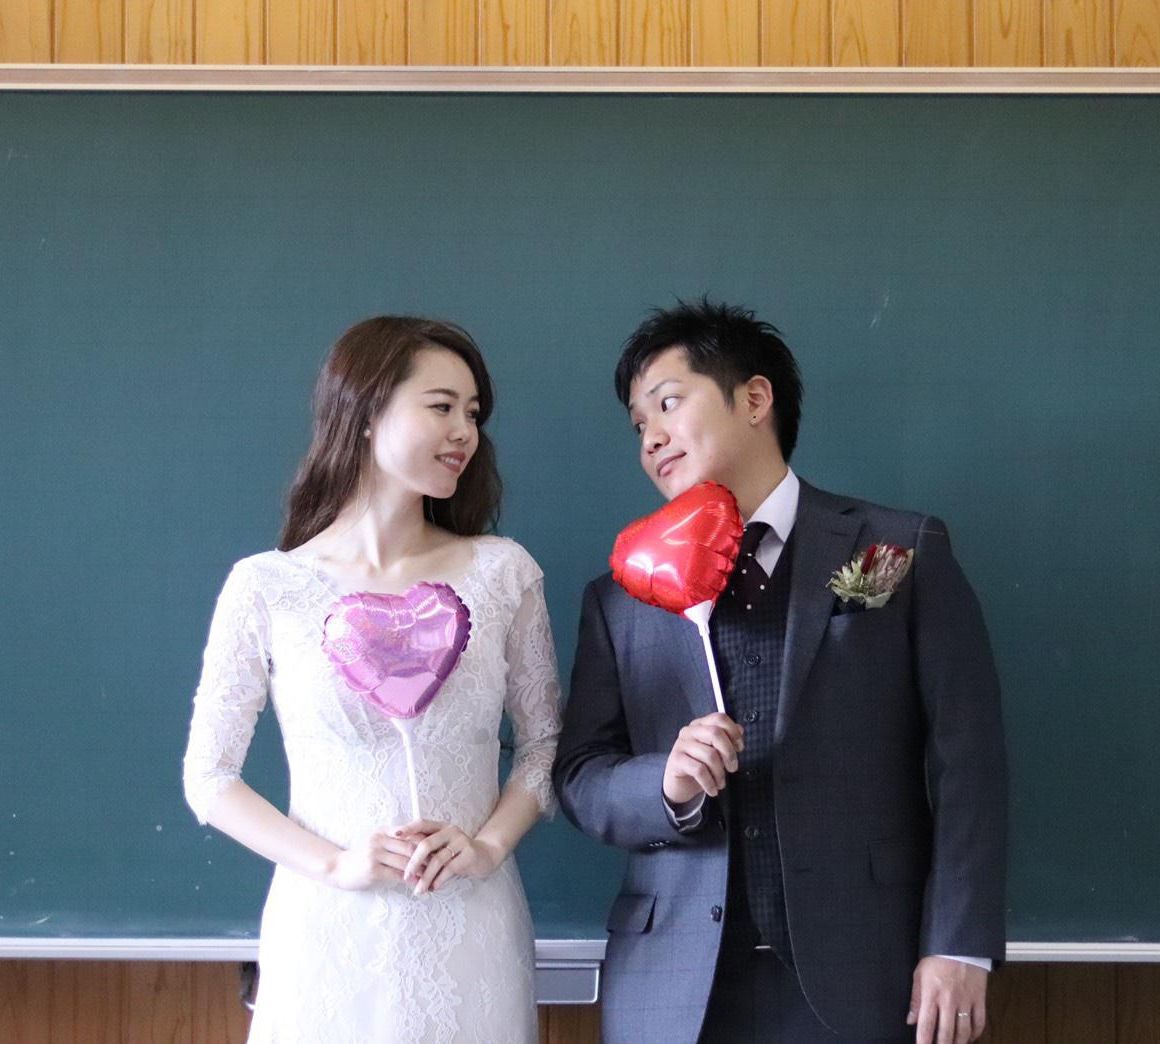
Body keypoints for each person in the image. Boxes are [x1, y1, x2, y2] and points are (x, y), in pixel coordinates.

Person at [553, 300, 1006, 1044]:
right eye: (638, 426)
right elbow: (579, 777)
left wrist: (958, 943)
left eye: (668, 404)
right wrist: (665, 784)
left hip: (868, 973)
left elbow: (969, 759)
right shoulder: (619, 598)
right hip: (676, 989)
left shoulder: (896, 549)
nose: (652, 437)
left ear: (755, 399)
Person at [184, 316, 561, 1042]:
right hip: (327, 927)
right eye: (442, 406)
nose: (464, 432)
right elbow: (210, 778)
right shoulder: (267, 586)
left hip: (472, 925)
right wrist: (335, 864)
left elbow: (546, 746)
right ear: (364, 411)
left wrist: (486, 847)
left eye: (473, 414)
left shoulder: (503, 572)